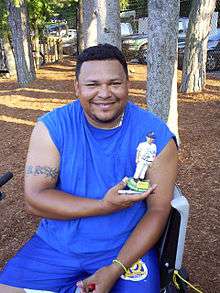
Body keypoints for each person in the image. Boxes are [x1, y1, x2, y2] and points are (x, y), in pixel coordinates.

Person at [0, 43, 177, 293]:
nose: (104, 93)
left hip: (124, 250)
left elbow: (158, 210)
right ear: (77, 88)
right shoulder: (52, 127)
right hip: (55, 246)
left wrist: (115, 268)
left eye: (114, 83)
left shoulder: (157, 136)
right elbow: (35, 199)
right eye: (92, 84)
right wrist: (104, 206)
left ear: (128, 84)